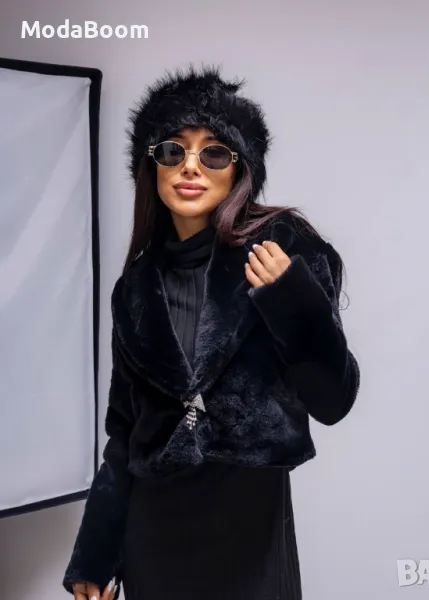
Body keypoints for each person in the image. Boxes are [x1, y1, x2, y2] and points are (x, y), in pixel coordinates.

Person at [62, 64, 360, 600]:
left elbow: (333, 401)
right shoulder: (135, 288)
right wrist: (96, 555)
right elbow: (124, 434)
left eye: (214, 153)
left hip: (249, 523)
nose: (190, 167)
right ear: (151, 166)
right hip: (154, 532)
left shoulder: (283, 246)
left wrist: (293, 301)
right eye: (172, 150)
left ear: (239, 169)